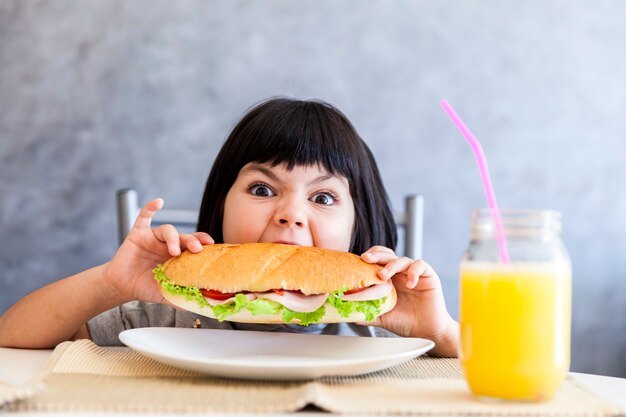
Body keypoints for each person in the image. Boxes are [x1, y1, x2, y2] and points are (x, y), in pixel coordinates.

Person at [0, 98, 459, 357]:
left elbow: (496, 377)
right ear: (220, 206)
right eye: (262, 189)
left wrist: (436, 329)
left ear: (361, 226)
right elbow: (12, 338)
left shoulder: (377, 333)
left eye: (322, 198)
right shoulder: (163, 314)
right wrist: (110, 283)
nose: (290, 214)